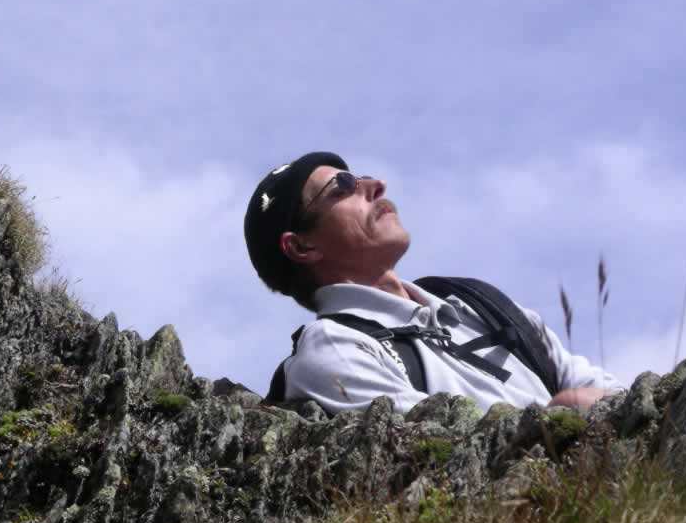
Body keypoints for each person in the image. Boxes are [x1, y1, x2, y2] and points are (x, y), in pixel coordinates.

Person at [244, 151, 623, 416]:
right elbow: (445, 461)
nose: (376, 184)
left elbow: (626, 401)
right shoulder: (333, 349)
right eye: (342, 186)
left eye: (362, 176)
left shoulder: (481, 304)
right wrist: (564, 410)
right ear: (302, 246)